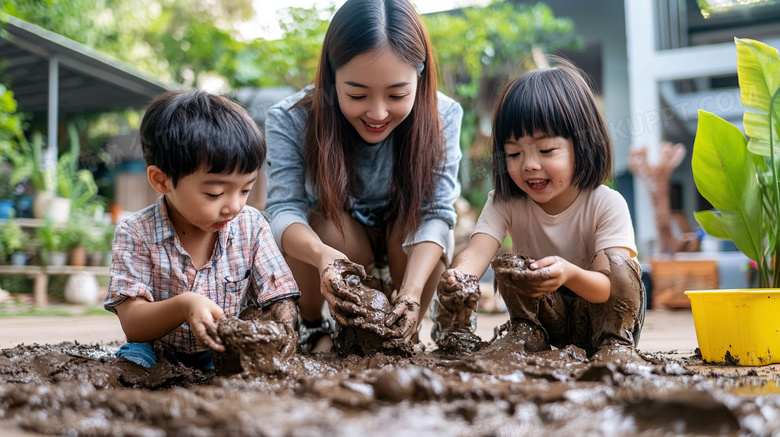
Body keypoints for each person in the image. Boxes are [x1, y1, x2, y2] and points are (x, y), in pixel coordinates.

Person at [264, 0, 463, 351]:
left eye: (397, 94)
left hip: (405, 238)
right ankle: (313, 325)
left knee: (419, 226)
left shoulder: (443, 115)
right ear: (331, 77)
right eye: (357, 94)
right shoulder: (291, 118)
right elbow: (283, 210)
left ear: (420, 76)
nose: (377, 112)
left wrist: (413, 293)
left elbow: (437, 213)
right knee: (322, 226)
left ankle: (405, 327)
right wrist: (323, 256)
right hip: (340, 238)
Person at [437, 59, 645, 361]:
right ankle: (527, 333)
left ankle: (615, 347)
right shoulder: (505, 201)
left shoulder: (606, 203)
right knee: (511, 264)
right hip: (549, 318)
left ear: (584, 144)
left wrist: (568, 273)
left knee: (624, 272)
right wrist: (459, 275)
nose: (529, 164)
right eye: (513, 153)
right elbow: (478, 251)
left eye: (546, 150)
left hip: (607, 319)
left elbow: (609, 289)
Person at [104, 90, 300, 370]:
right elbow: (133, 323)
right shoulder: (135, 233)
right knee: (133, 364)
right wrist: (184, 305)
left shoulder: (252, 226)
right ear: (162, 181)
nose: (233, 206)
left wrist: (281, 334)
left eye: (246, 189)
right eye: (215, 193)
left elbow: (279, 297)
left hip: (222, 345)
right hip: (156, 348)